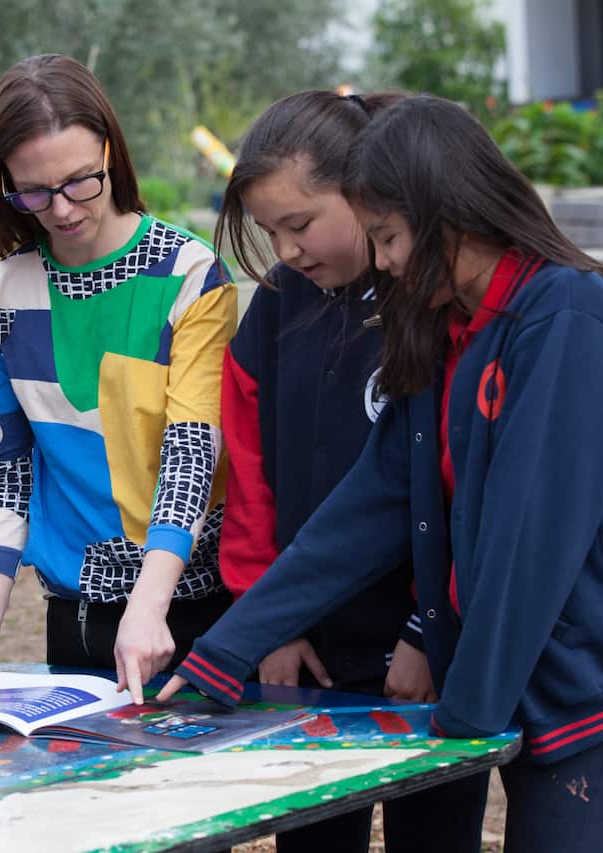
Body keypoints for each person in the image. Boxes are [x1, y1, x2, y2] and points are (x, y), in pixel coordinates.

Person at [160, 94, 603, 853]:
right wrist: (227, 647)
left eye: (390, 237)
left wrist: (464, 720)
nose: (384, 263)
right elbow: (369, 504)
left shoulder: (565, 320)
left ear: (450, 212)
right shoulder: (450, 325)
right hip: (517, 667)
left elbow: (529, 542)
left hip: (590, 678)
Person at [216, 90, 487, 853]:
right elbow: (250, 476)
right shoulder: (275, 306)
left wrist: (427, 630)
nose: (289, 250)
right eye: (272, 232)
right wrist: (272, 615)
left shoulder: (433, 301)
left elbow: (469, 491)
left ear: (366, 191)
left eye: (300, 224)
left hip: (424, 649)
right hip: (309, 652)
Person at [0, 54, 236, 703]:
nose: (62, 209)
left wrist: (149, 603)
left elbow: (191, 452)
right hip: (74, 616)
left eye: (81, 181)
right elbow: (7, 467)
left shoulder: (190, 275)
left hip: (187, 610)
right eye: (35, 192)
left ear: (111, 151)